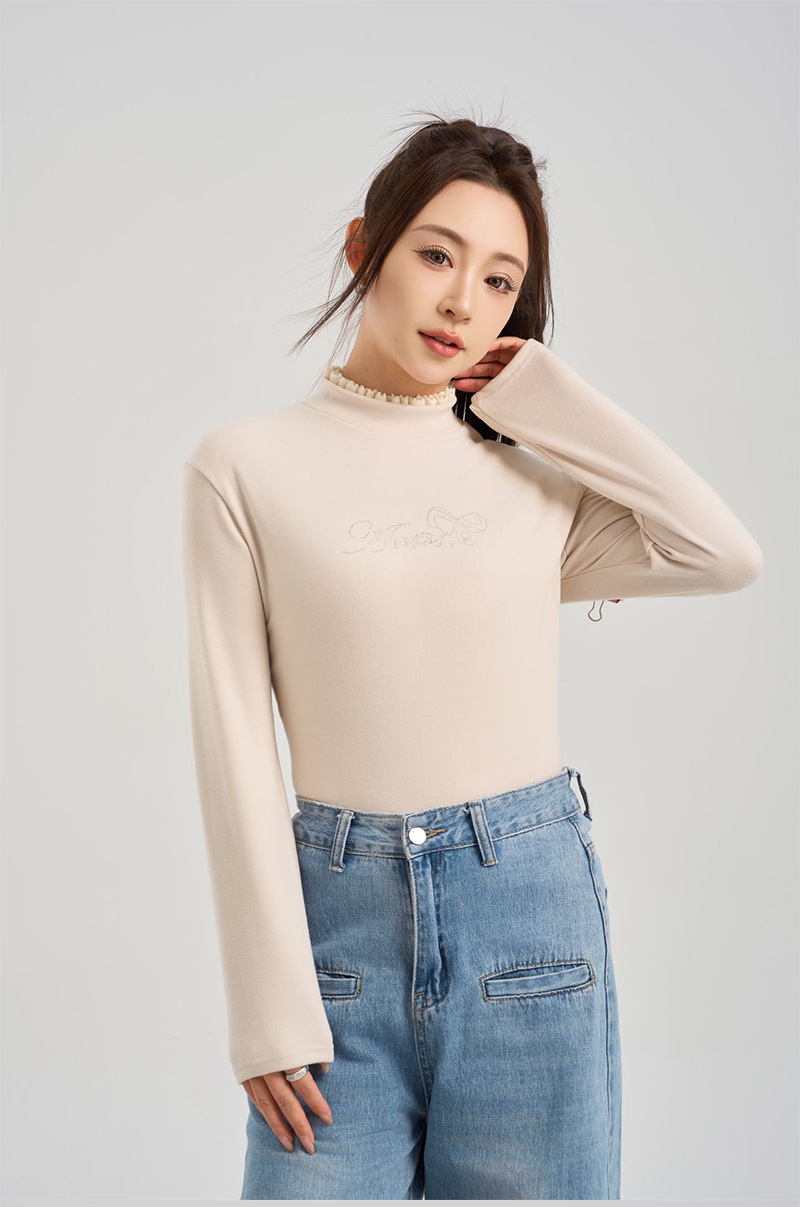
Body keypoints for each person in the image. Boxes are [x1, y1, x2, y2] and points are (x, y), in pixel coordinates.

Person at [181, 114, 763, 1200]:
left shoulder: (534, 483)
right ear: (365, 248)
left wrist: (543, 397)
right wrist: (265, 1010)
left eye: (501, 281)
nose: (462, 302)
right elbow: (233, 743)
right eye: (437, 255)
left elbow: (721, 552)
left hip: (529, 926)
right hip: (336, 948)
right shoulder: (244, 467)